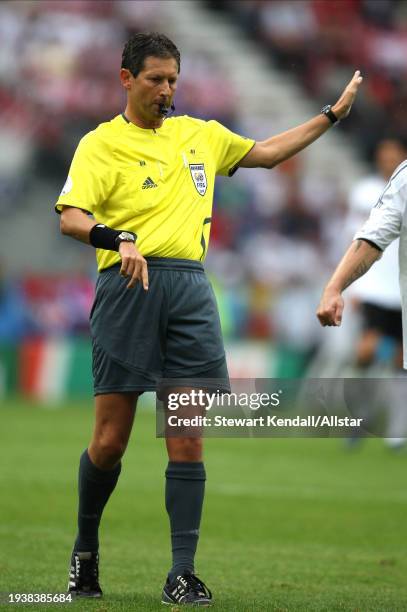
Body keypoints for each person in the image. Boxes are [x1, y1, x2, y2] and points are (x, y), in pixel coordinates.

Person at [56, 32, 362, 605]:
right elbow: (71, 217)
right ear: (127, 79)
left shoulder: (202, 134)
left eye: (173, 79)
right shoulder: (100, 144)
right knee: (110, 439)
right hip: (127, 287)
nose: (167, 89)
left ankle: (181, 573)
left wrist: (331, 116)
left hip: (191, 292)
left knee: (189, 436)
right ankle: (85, 548)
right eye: (156, 79)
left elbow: (268, 153)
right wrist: (115, 236)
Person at [317, 152, 407, 443]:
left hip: (395, 289)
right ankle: (359, 418)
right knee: (367, 350)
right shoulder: (378, 187)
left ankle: (396, 432)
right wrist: (341, 286)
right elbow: (367, 236)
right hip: (379, 287)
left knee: (399, 359)